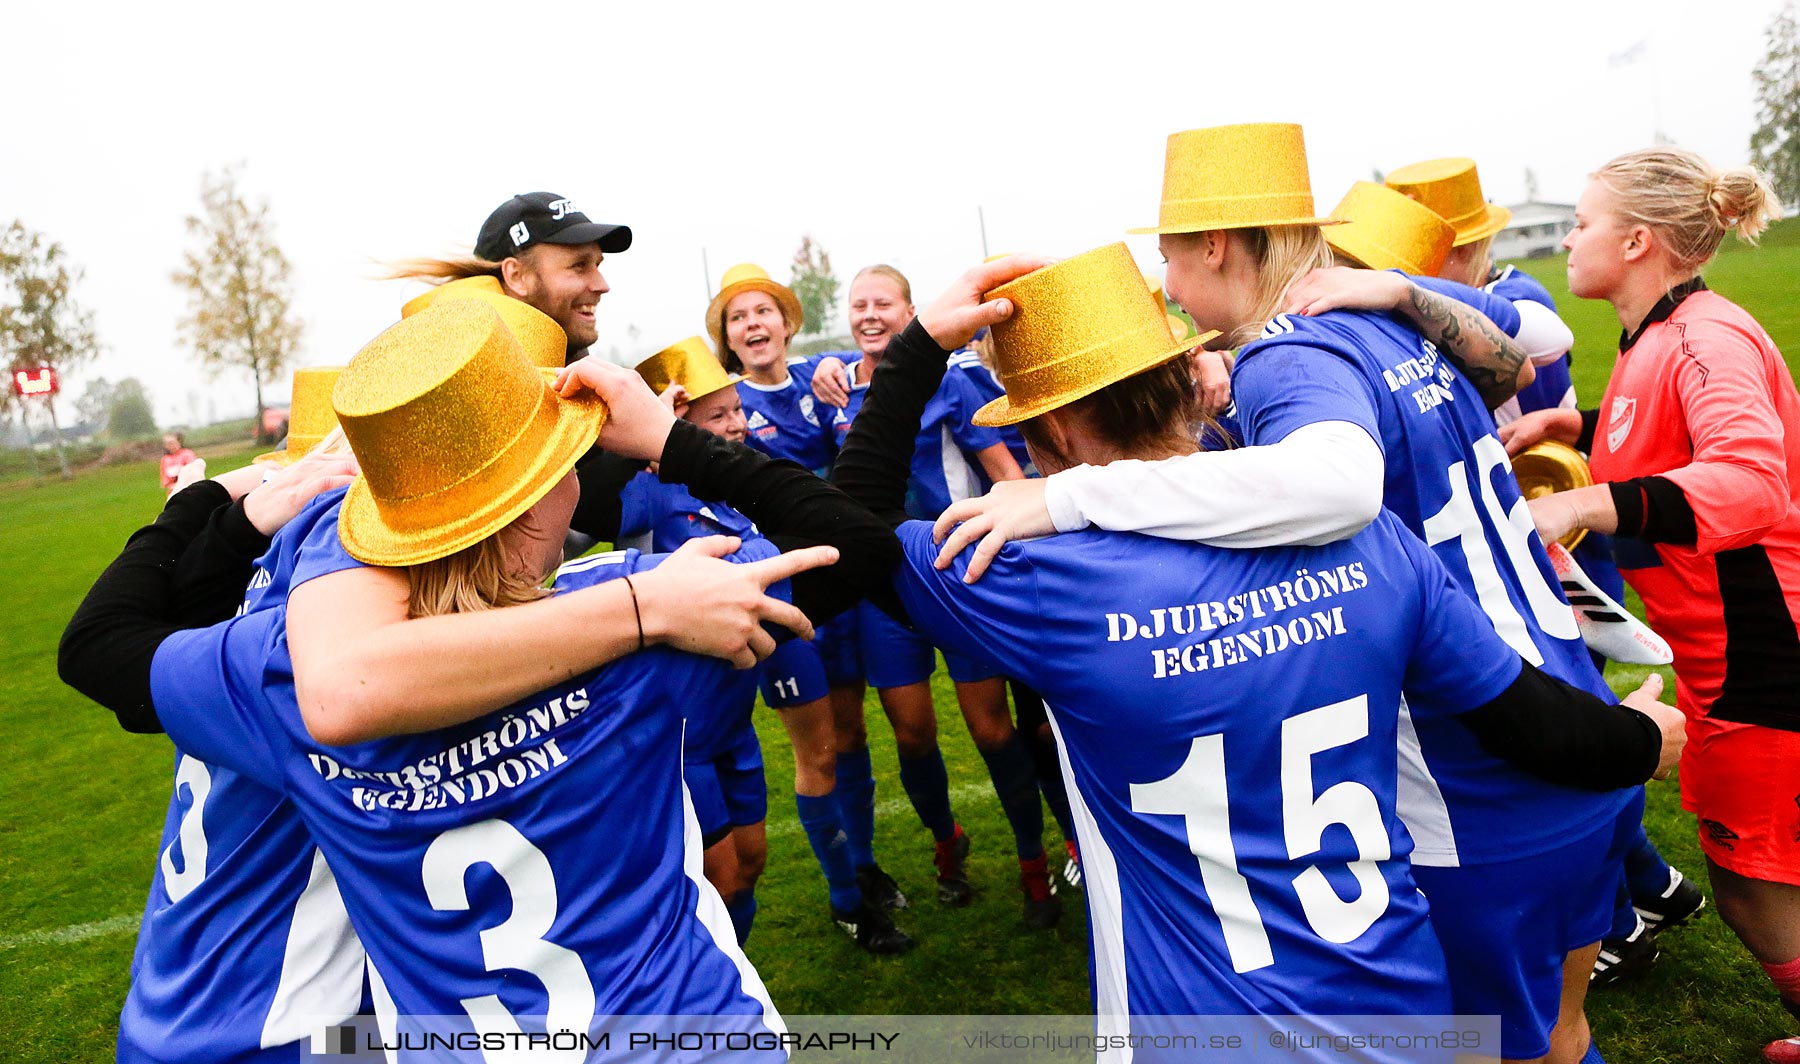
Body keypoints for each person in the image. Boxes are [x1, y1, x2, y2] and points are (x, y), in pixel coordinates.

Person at [831, 247, 1683, 1058]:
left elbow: (836, 539)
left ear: (1050, 427)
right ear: (1194, 387)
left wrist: (916, 353)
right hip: (1396, 997)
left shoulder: (1033, 575)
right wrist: (1641, 740)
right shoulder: (1370, 540)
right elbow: (1525, 717)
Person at [60, 299, 865, 1061]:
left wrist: (229, 500)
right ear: (544, 491)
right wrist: (669, 449)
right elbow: (856, 545)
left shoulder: (273, 666)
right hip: (308, 1028)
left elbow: (101, 646)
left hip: (201, 1012)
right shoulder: (649, 617)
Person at [1328, 175, 1705, 982]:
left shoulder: (1408, 333)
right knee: (1580, 738)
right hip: (1515, 556)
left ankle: (1620, 909)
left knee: (1554, 754)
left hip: (1519, 557)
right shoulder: (1438, 329)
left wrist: (1400, 291)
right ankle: (1641, 892)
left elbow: (1539, 331)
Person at [1500, 146, 1800, 1064]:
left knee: (1753, 875)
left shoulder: (1705, 337)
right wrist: (1577, 428)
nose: (1569, 240)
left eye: (1581, 223)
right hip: (1721, 655)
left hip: (1764, 653)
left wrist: (1587, 500)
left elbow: (1751, 481)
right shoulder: (1656, 333)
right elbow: (1661, 441)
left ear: (1636, 241)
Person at [581, 334, 915, 954]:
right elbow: (585, 503)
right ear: (675, 424)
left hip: (773, 631)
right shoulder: (652, 492)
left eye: (738, 409)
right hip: (693, 699)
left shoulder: (751, 470)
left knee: (813, 767)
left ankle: (850, 896)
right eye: (718, 415)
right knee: (726, 871)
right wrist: (641, 440)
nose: (737, 423)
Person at [811, 263, 1068, 926]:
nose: (870, 315)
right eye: (858, 304)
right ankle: (947, 842)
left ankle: (1032, 862)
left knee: (990, 727)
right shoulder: (833, 390)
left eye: (884, 304)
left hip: (956, 572)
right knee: (913, 734)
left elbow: (1003, 471)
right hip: (879, 587)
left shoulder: (949, 381)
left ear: (911, 313)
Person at [387, 191, 631, 365]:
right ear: (517, 276)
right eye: (579, 266)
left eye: (597, 265)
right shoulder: (467, 387)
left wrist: (658, 430)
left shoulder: (580, 385)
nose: (602, 286)